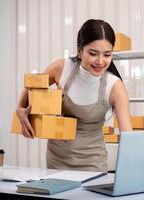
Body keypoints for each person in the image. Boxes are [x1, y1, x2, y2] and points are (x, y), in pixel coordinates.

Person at [16, 19, 133, 172]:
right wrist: (20, 108)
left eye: (107, 55)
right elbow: (33, 83)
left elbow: (128, 139)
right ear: (79, 51)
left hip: (92, 164)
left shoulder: (115, 87)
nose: (100, 61)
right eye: (93, 53)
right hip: (56, 161)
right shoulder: (62, 68)